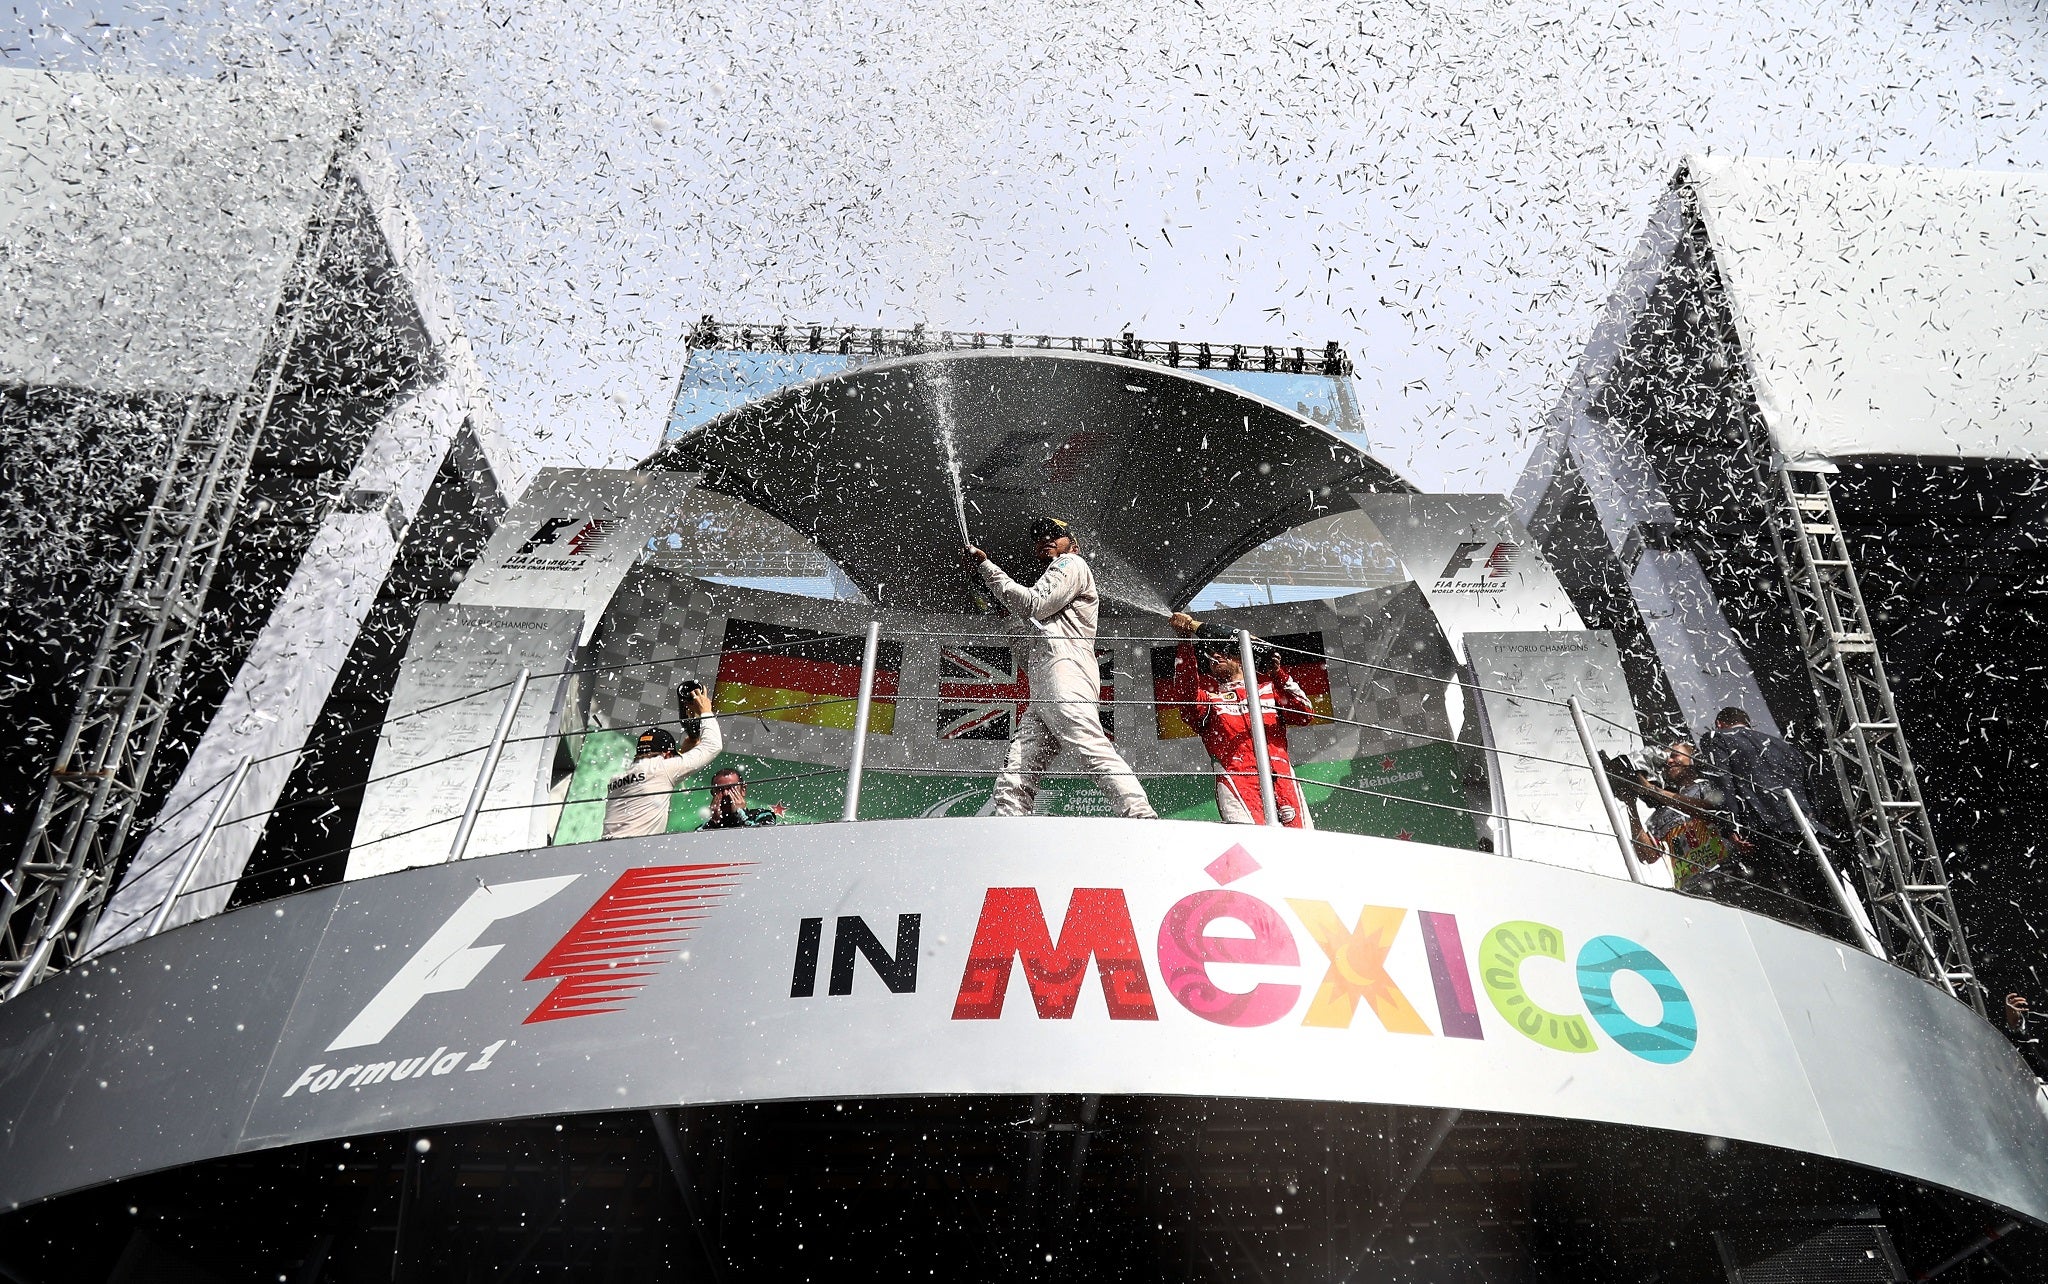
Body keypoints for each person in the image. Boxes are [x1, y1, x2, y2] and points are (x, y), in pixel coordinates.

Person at [962, 516, 1157, 819]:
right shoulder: (1055, 596)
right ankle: (1008, 824)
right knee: (1019, 767)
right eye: (1039, 535)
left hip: (1066, 669)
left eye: (1055, 533)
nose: (1046, 538)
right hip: (1049, 679)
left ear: (1073, 544)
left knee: (1088, 744)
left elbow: (1033, 604)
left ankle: (1141, 816)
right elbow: (1029, 647)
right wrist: (996, 602)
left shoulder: (1071, 563)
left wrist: (989, 568)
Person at [1167, 611, 1318, 827]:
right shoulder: (1209, 699)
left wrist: (1277, 673)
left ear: (1241, 657)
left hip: (1282, 776)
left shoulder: (1268, 689)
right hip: (1236, 780)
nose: (1215, 656)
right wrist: (1184, 641)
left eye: (1222, 651)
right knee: (1252, 846)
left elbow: (1305, 713)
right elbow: (1185, 694)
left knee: (1299, 846)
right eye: (1210, 654)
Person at [602, 684, 721, 840]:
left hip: (606, 849)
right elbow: (713, 746)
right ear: (666, 754)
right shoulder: (661, 770)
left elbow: (654, 773)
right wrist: (706, 711)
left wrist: (682, 753)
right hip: (633, 850)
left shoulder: (617, 779)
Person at [699, 765, 786, 830]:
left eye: (731, 788)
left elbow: (764, 836)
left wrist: (740, 813)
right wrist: (714, 821)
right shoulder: (705, 827)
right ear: (713, 793)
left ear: (743, 789)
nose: (725, 793)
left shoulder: (763, 815)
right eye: (720, 789)